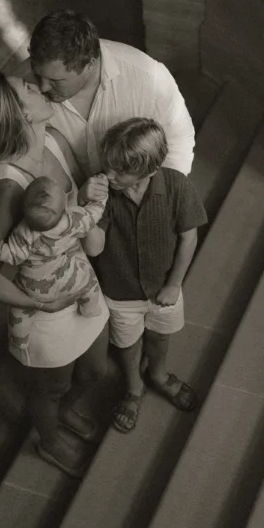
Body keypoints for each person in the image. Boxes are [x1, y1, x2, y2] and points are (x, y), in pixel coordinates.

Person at [0, 70, 110, 477]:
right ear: (19, 115)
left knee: (96, 369)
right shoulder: (6, 189)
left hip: (79, 281)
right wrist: (41, 302)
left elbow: (64, 215)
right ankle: (48, 440)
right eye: (25, 88)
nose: (35, 84)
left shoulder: (51, 140)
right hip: (45, 305)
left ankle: (67, 411)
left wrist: (88, 201)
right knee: (52, 387)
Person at [85, 118, 207, 434]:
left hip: (164, 289)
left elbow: (188, 238)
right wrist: (90, 209)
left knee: (159, 336)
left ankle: (159, 374)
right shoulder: (105, 193)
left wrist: (175, 284)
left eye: (119, 171)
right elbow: (94, 249)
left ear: (149, 170)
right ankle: (134, 386)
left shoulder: (177, 186)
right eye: (107, 166)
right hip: (120, 290)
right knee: (126, 343)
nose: (108, 175)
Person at [19, 10, 195, 179]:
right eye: (38, 75)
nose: (42, 88)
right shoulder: (19, 83)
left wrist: (158, 198)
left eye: (55, 80)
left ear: (90, 64)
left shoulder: (150, 78)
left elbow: (179, 144)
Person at [0, 176, 108, 341]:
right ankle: (90, 308)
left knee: (19, 311)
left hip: (34, 289)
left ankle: (19, 337)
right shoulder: (75, 218)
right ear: (64, 207)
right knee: (89, 283)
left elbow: (11, 255)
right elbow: (95, 213)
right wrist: (102, 196)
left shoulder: (23, 233)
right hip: (70, 279)